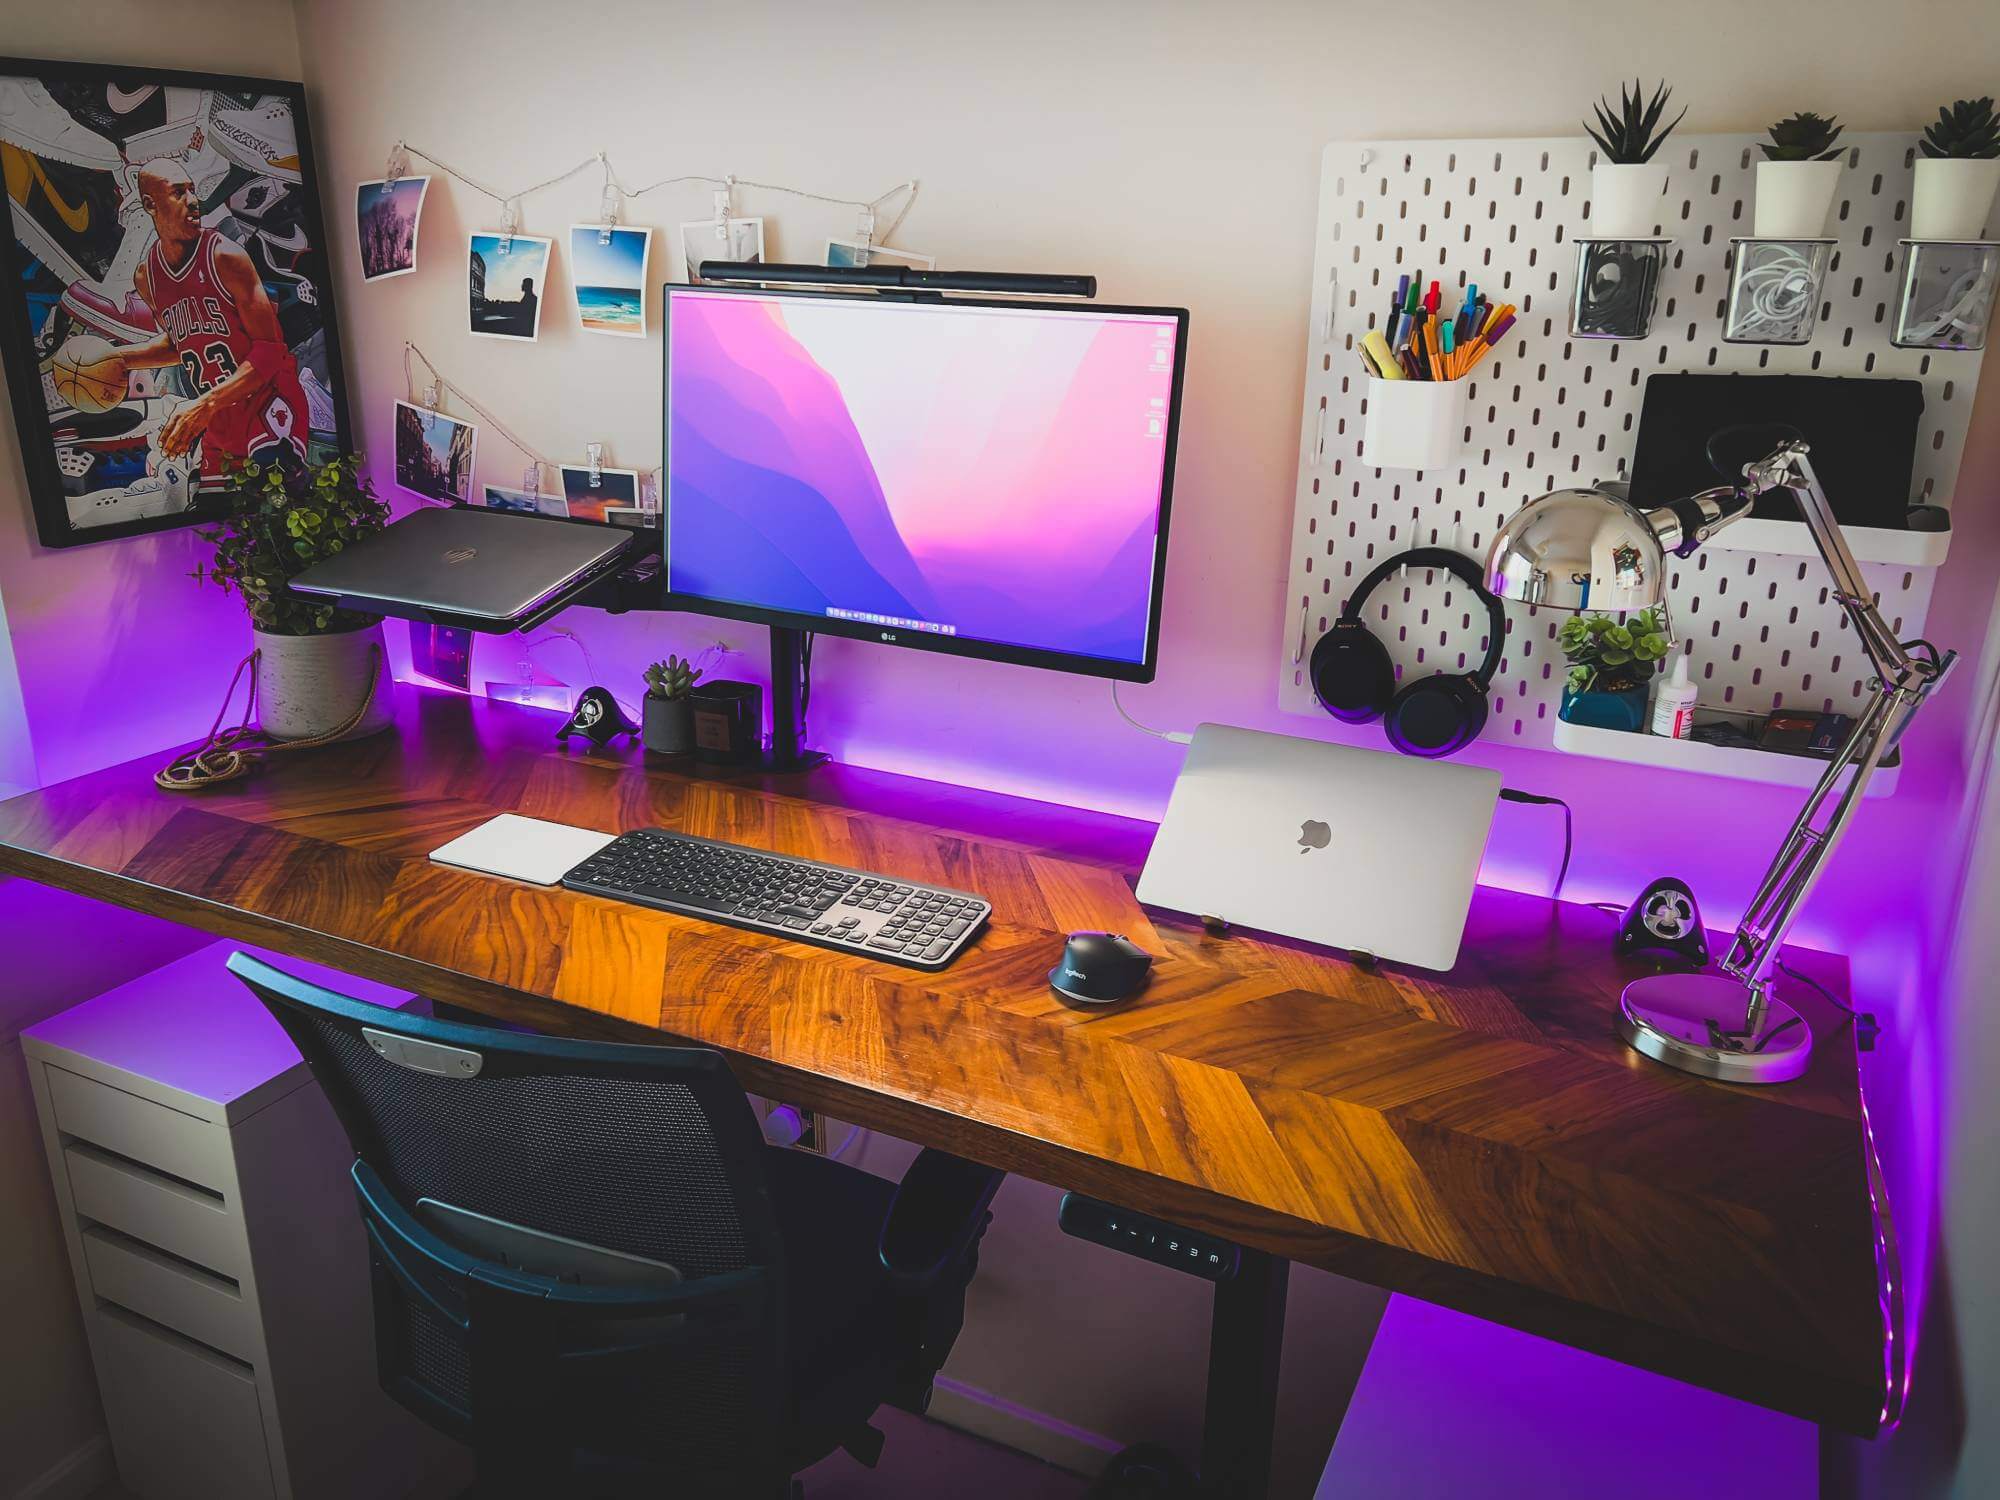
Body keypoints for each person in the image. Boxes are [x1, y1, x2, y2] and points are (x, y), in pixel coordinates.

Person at [76, 158, 309, 481]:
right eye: (178, 193)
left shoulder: (225, 257)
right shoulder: (148, 276)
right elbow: (181, 344)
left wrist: (202, 405)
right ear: (149, 204)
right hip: (217, 420)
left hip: (266, 406)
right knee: (217, 522)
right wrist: (120, 358)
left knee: (282, 504)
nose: (193, 201)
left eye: (192, 191)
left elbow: (271, 352)